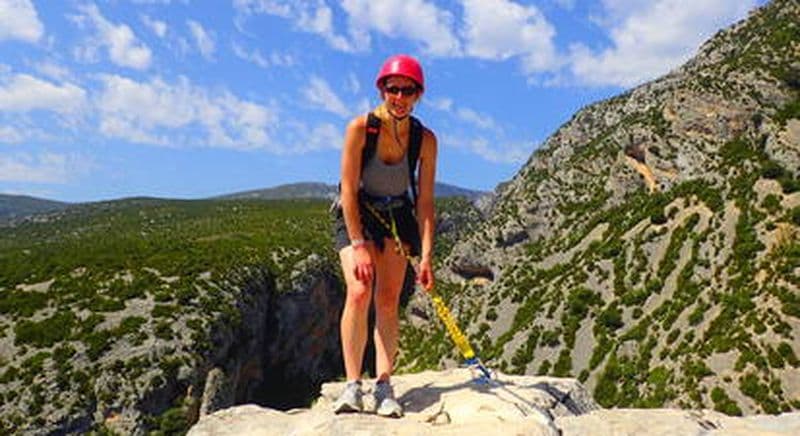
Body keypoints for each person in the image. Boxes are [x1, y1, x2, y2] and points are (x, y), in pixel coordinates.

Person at [331, 54, 437, 418]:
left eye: (409, 91)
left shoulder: (425, 140)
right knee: (360, 290)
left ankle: (385, 384)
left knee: (388, 300)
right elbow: (347, 190)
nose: (400, 97)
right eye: (394, 89)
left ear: (418, 95)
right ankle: (351, 385)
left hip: (396, 216)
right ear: (382, 89)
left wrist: (425, 255)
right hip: (356, 213)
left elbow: (424, 201)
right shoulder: (361, 129)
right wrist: (358, 244)